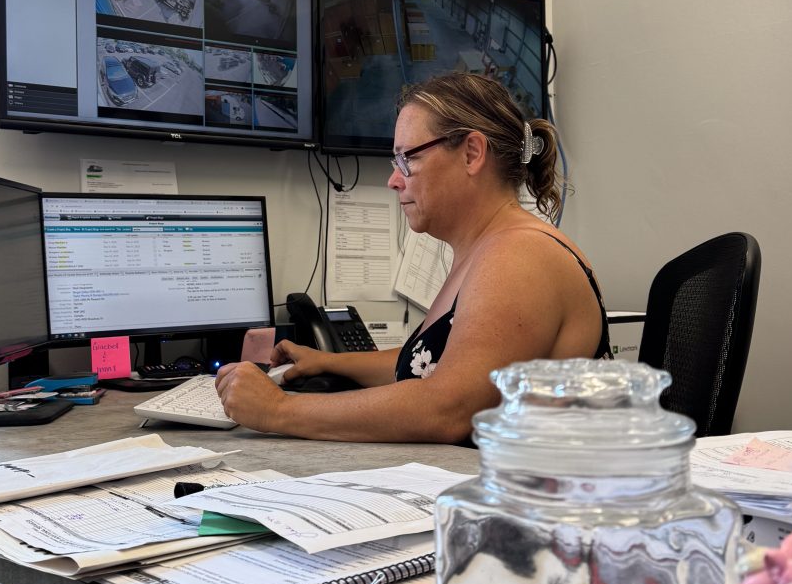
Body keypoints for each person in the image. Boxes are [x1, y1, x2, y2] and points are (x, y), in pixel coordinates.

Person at [215, 73, 611, 444]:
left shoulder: (519, 255)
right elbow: (430, 365)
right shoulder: (488, 248)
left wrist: (279, 410)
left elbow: (449, 408)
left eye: (408, 158)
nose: (394, 179)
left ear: (472, 153)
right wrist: (331, 362)